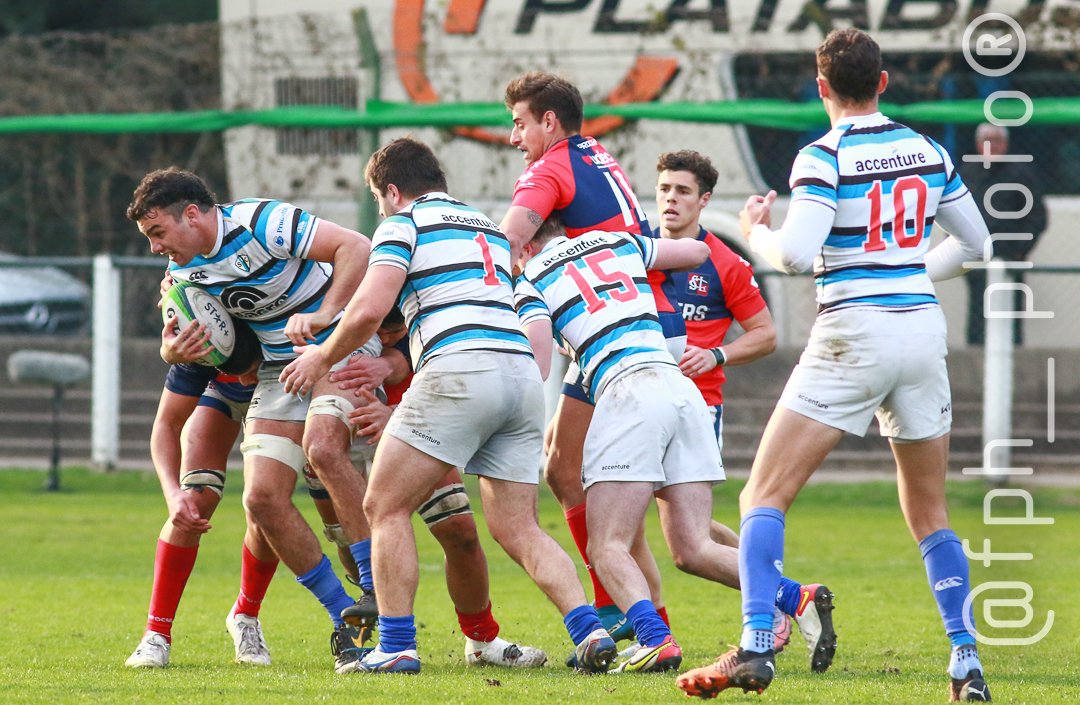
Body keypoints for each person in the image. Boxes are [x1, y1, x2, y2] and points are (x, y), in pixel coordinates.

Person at [675, 29, 992, 701]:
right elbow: (977, 242)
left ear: (821, 87)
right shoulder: (927, 148)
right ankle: (965, 661)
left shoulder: (824, 154)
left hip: (853, 334)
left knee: (763, 496)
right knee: (931, 512)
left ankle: (757, 645)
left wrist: (755, 226)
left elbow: (793, 256)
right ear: (883, 83)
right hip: (920, 333)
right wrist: (907, 270)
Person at [281, 136, 616, 675]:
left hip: (460, 368)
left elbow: (369, 309)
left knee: (384, 506)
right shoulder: (486, 227)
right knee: (519, 527)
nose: (381, 210)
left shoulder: (403, 224)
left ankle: (395, 647)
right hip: (522, 378)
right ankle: (590, 631)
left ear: (391, 191)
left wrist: (321, 356)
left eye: (379, 199)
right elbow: (529, 315)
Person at [127, 168, 378, 673]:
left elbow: (356, 246)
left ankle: (379, 593)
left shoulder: (263, 221)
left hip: (335, 351)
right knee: (261, 498)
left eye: (158, 233)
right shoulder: (183, 278)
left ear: (192, 214)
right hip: (277, 371)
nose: (155, 248)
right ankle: (343, 621)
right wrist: (168, 347)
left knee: (326, 454)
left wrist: (327, 315)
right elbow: (171, 341)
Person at [514, 216, 743, 674]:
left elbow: (538, 358)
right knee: (694, 547)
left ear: (526, 245)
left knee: (607, 545)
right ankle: (795, 596)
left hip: (626, 392)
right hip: (679, 385)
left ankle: (657, 640)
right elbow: (695, 253)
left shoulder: (532, 277)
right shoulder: (614, 242)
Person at [500, 71, 684, 639]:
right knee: (566, 467)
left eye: (519, 124)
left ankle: (641, 615)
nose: (514, 138)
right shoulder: (595, 155)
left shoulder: (550, 167)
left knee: (676, 528)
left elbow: (505, 244)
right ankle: (622, 607)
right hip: (640, 322)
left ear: (549, 121)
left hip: (622, 334)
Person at [655, 150, 837, 670]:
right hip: (638, 403)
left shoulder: (725, 263)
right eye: (665, 188)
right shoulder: (637, 250)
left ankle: (646, 632)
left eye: (683, 191)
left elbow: (765, 335)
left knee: (685, 544)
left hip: (694, 407)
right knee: (689, 529)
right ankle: (787, 597)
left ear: (703, 201)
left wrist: (716, 353)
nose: (671, 199)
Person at [125, 317, 278, 669]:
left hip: (277, 392)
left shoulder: (283, 322)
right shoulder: (201, 343)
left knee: (267, 506)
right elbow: (165, 423)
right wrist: (172, 495)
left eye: (248, 369)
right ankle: (156, 634)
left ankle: (246, 616)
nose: (243, 378)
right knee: (195, 501)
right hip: (217, 395)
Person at [959, 123, 1048, 346]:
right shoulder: (967, 173)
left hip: (1009, 258)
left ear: (1006, 144)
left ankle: (1013, 368)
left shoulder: (1021, 174)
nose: (993, 146)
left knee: (1010, 314)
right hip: (976, 258)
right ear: (978, 145)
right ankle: (975, 370)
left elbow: (1037, 217)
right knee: (978, 315)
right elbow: (953, 215)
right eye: (987, 140)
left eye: (997, 140)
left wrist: (1020, 250)